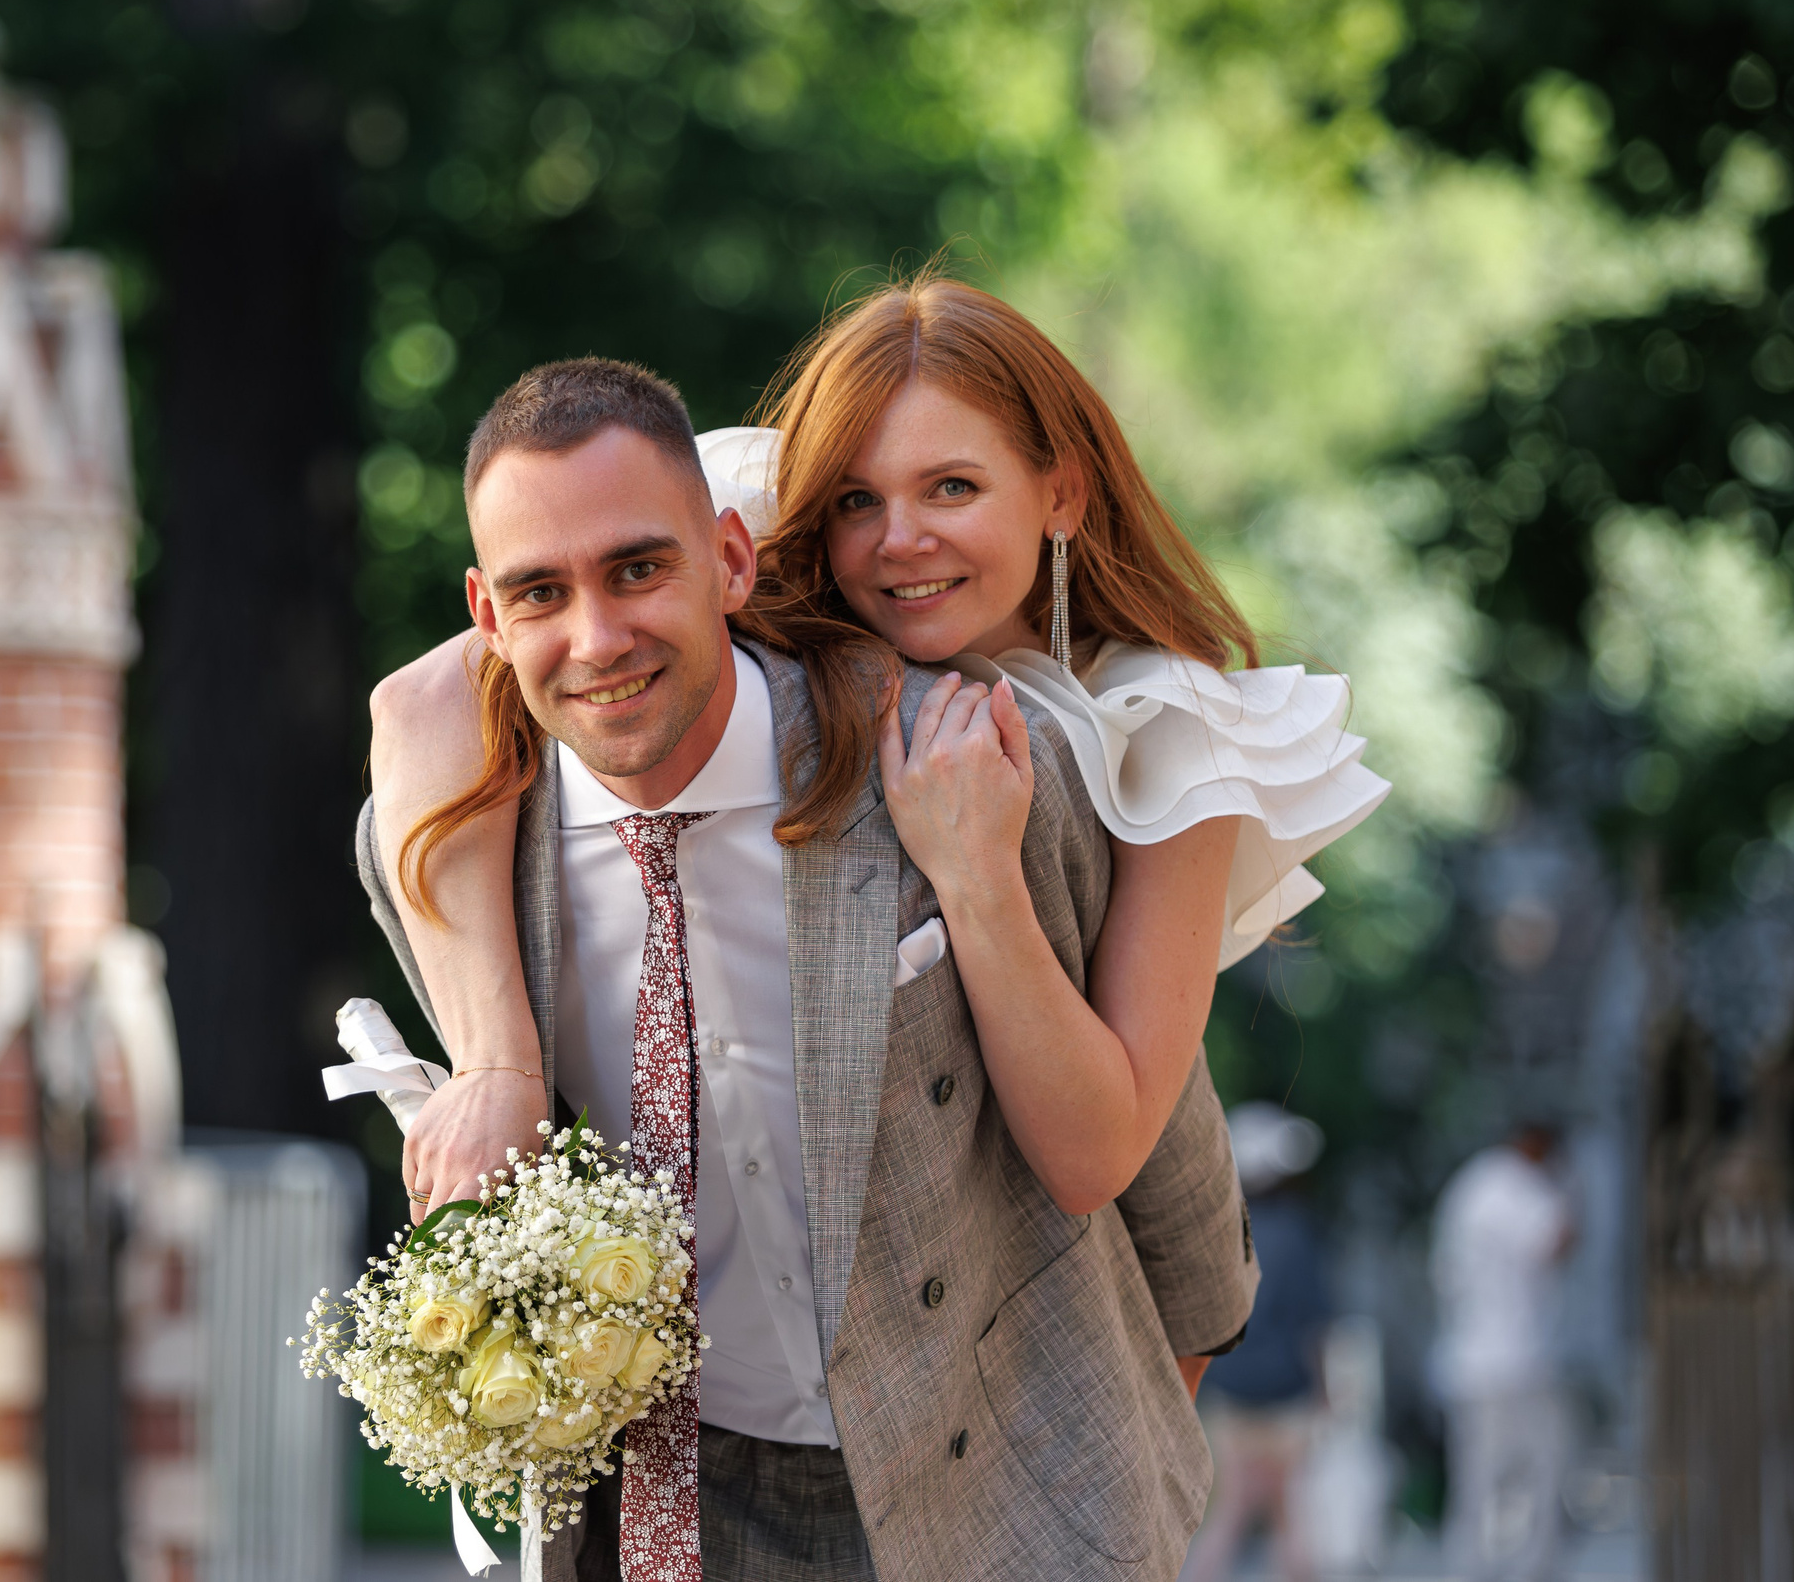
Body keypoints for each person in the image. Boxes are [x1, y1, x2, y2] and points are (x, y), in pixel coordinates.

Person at [361, 283, 1385, 1576]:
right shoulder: (736, 592)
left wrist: (1086, 1493)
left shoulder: (1134, 742)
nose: (898, 543)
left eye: (953, 488)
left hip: (983, 1463)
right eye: (857, 501)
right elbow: (424, 700)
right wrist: (499, 1060)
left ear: (1058, 494)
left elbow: (1143, 1151)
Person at [1183, 1104, 1332, 1582]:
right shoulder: (1298, 1231)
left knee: (1229, 1512)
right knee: (1290, 1511)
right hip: (1287, 1392)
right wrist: (1325, 1389)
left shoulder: (1222, 1231)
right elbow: (1315, 1322)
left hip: (1229, 1389)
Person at [1429, 1122, 1576, 1582]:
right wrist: (1574, 1191)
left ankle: (1469, 1568)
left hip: (1469, 1358)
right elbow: (1555, 1244)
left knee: (1477, 1480)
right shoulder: (1513, 1187)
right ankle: (1530, 1569)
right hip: (1512, 1361)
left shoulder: (1472, 1183)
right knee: (1540, 1470)